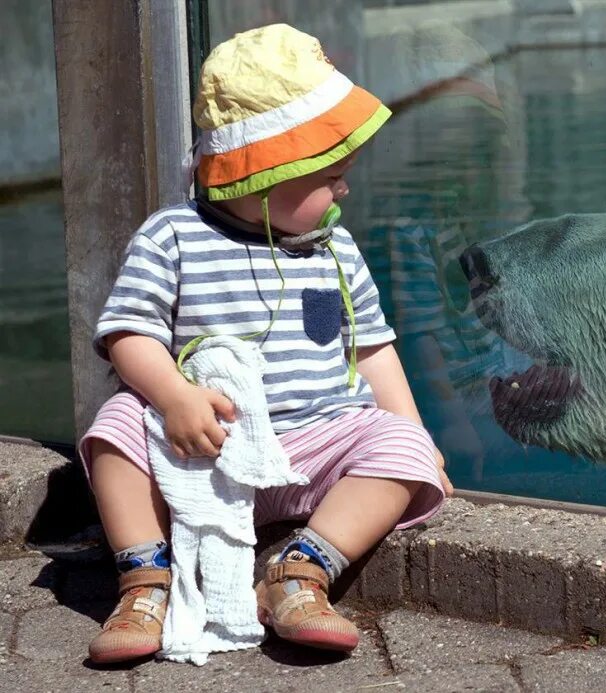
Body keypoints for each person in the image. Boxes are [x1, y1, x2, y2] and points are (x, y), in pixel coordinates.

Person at [77, 23, 450, 664]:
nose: (343, 190)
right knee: (115, 426)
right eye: (330, 175)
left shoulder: (335, 249)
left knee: (403, 445)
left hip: (314, 443)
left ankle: (300, 572)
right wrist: (172, 396)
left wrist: (418, 438)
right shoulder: (172, 236)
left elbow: (372, 349)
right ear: (271, 173)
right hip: (203, 450)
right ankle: (145, 580)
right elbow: (127, 332)